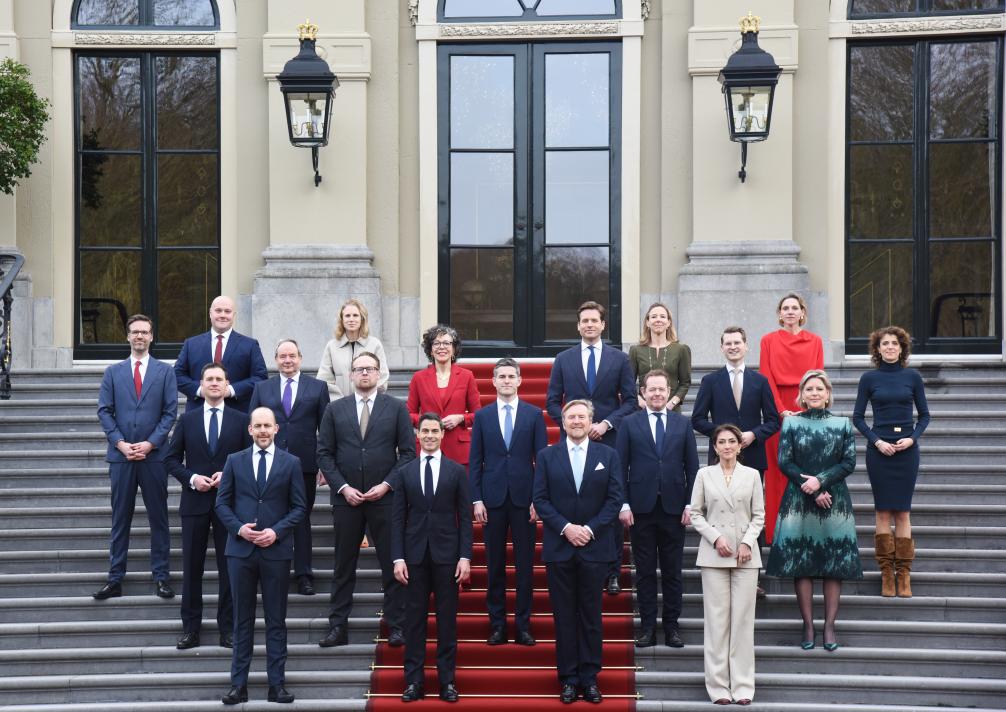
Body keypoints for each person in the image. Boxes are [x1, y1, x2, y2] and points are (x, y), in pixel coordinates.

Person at [316, 351, 416, 648]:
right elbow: (324, 454)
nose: (364, 373)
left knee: (392, 563)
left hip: (385, 499)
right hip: (346, 501)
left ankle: (397, 625)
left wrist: (387, 485)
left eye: (369, 369)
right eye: (359, 369)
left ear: (379, 373)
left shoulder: (396, 408)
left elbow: (408, 453)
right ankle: (337, 627)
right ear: (350, 374)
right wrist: (343, 488)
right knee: (343, 566)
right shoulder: (335, 409)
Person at [533, 400, 624, 705]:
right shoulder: (547, 456)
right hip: (560, 548)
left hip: (595, 547)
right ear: (563, 422)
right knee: (563, 617)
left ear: (590, 421)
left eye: (581, 417)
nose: (576, 421)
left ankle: (590, 677)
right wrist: (566, 528)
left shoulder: (608, 455)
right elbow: (540, 499)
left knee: (591, 616)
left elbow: (614, 499)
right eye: (571, 417)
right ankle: (569, 679)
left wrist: (589, 529)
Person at [215, 407, 306, 705]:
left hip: (275, 552)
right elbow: (221, 504)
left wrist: (276, 532)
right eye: (258, 426)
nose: (263, 430)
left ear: (276, 429)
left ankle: (276, 685)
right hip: (240, 552)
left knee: (276, 620)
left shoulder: (291, 463)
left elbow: (299, 508)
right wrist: (239, 529)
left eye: (268, 425)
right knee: (241, 620)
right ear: (250, 429)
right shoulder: (234, 461)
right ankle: (238, 685)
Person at [766, 370, 862, 652]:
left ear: (828, 393)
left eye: (820, 388)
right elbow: (784, 461)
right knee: (802, 562)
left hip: (835, 500)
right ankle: (808, 625)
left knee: (834, 563)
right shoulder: (791, 423)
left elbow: (849, 462)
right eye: (809, 389)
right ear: (802, 395)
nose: (815, 393)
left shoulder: (842, 423)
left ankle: (829, 626)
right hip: (799, 498)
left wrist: (821, 481)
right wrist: (812, 488)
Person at [546, 301, 637, 596]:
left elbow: (630, 401)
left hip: (607, 441)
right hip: (573, 441)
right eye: (584, 320)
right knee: (575, 499)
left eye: (594, 320)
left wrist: (606, 424)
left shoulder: (619, 359)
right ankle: (572, 559)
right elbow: (552, 401)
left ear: (602, 325)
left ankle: (612, 571)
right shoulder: (564, 359)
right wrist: (573, 426)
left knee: (608, 504)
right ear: (578, 325)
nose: (589, 325)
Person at [164, 363, 250, 650]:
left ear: (226, 385)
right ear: (201, 385)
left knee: (230, 569)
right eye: (209, 379)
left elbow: (250, 458)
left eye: (219, 379)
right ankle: (191, 629)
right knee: (192, 569)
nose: (214, 383)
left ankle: (228, 629)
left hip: (230, 507)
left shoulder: (241, 420)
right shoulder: (187, 420)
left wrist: (230, 474)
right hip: (194, 503)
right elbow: (171, 459)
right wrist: (192, 479)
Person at [93, 314, 178, 601]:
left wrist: (150, 444)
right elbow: (104, 411)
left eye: (144, 332)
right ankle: (115, 578)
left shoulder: (165, 372)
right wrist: (120, 443)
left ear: (152, 336)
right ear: (128, 336)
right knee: (120, 519)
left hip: (154, 458)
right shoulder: (112, 373)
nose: (139, 336)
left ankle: (162, 577)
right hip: (122, 458)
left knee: (159, 519)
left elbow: (170, 413)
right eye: (135, 332)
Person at [692, 326, 780, 597]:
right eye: (728, 343)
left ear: (746, 346)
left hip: (752, 458)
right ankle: (719, 566)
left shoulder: (760, 381)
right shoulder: (710, 381)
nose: (733, 347)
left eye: (737, 343)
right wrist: (723, 436)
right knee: (718, 513)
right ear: (722, 348)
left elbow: (773, 420)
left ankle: (752, 575)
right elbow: (697, 419)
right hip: (720, 459)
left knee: (750, 514)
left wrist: (755, 434)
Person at [392, 414, 473, 703]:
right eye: (424, 431)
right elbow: (398, 518)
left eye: (434, 431)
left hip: (447, 557)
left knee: (446, 622)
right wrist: (397, 558)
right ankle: (413, 682)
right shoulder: (404, 472)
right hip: (413, 558)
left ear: (442, 434)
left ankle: (447, 681)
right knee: (414, 622)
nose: (429, 435)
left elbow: (465, 517)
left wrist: (465, 556)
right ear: (417, 435)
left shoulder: (456, 471)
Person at [616, 369, 698, 649]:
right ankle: (648, 628)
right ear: (643, 392)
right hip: (640, 509)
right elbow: (620, 467)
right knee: (645, 572)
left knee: (673, 572)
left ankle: (672, 628)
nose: (657, 394)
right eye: (652, 389)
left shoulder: (682, 424)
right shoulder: (629, 423)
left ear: (669, 391)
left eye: (662, 389)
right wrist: (624, 504)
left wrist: (690, 504)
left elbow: (692, 467)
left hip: (674, 509)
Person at [469, 358, 548, 646]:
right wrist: (476, 499)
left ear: (519, 380)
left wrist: (538, 499)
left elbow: (543, 460)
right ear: (493, 381)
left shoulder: (533, 415)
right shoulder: (483, 416)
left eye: (510, 376)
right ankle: (498, 625)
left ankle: (523, 625)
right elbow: (475, 461)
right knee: (495, 565)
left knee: (525, 567)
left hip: (524, 499)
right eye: (501, 376)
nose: (506, 381)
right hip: (492, 500)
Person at [689, 424, 765, 706]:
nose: (727, 446)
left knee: (743, 622)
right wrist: (716, 538)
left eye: (732, 441)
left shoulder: (752, 475)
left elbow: (759, 515)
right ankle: (718, 686)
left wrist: (747, 542)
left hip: (745, 556)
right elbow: (696, 514)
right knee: (717, 622)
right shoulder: (704, 475)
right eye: (721, 442)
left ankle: (743, 686)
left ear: (740, 445)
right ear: (715, 447)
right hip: (714, 555)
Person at [852, 326, 930, 598]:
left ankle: (904, 574)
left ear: (902, 348)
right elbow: (858, 417)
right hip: (879, 452)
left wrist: (912, 439)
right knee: (883, 512)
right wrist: (877, 441)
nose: (890, 347)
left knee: (903, 513)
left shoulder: (913, 377)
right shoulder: (868, 378)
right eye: (884, 343)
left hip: (907, 452)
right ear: (877, 349)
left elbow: (925, 416)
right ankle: (887, 574)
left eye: (894, 343)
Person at [249, 339, 330, 595]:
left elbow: (326, 430)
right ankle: (269, 570)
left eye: (292, 355)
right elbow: (252, 427)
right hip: (269, 464)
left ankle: (304, 574)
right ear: (276, 360)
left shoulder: (317, 387)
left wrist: (325, 464)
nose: (287, 360)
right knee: (269, 516)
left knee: (301, 519)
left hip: (305, 465)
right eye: (282, 356)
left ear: (300, 358)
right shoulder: (262, 388)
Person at [759, 293, 824, 544]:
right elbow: (766, 377)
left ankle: (805, 529)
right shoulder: (768, 341)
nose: (789, 312)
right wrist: (780, 410)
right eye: (785, 308)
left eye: (794, 308)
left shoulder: (815, 341)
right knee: (778, 471)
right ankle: (777, 531)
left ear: (802, 312)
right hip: (778, 409)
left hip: (807, 405)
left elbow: (818, 378)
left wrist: (808, 407)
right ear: (779, 314)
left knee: (808, 467)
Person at [173, 295, 268, 414]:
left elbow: (261, 377)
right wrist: (201, 390)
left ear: (234, 315)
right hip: (197, 414)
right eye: (218, 310)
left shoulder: (250, 345)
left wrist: (231, 390)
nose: (222, 315)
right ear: (210, 313)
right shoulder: (191, 344)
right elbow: (177, 375)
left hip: (236, 414)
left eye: (227, 311)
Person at [406, 324, 481, 468]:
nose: (442, 347)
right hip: (427, 445)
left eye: (446, 343)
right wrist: (427, 422)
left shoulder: (466, 376)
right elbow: (409, 414)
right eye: (436, 343)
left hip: (458, 450)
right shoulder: (418, 378)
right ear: (430, 350)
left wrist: (461, 418)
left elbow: (478, 415)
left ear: (454, 349)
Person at [317, 298, 390, 399]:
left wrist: (364, 399)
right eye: (347, 316)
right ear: (342, 320)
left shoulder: (375, 344)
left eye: (355, 315)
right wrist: (341, 402)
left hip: (368, 404)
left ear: (362, 319)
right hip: (339, 405)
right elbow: (323, 380)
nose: (351, 319)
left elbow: (382, 378)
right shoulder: (332, 346)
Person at [628, 303, 691, 412]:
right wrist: (641, 403)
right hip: (643, 410)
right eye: (654, 317)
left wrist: (671, 404)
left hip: (671, 410)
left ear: (668, 322)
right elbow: (628, 383)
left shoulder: (681, 350)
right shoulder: (635, 350)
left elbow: (685, 383)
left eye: (662, 316)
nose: (658, 320)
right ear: (647, 322)